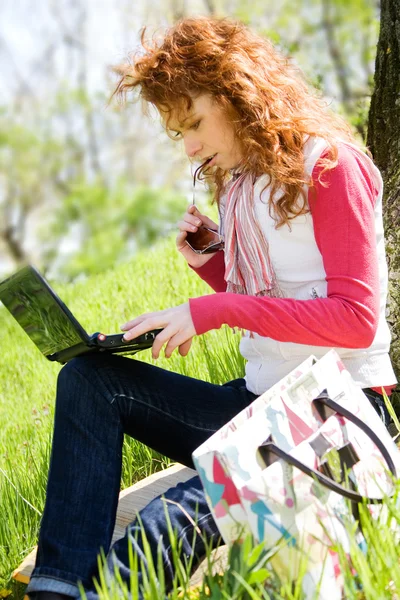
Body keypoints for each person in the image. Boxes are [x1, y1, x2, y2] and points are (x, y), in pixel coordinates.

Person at [26, 15, 397, 600]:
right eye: (180, 133)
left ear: (239, 92)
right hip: (261, 403)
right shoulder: (245, 182)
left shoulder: (331, 166)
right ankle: (56, 588)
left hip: (339, 417)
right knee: (88, 378)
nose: (191, 145)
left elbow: (355, 320)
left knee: (166, 522)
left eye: (195, 121)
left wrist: (214, 307)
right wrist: (213, 263)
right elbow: (276, 297)